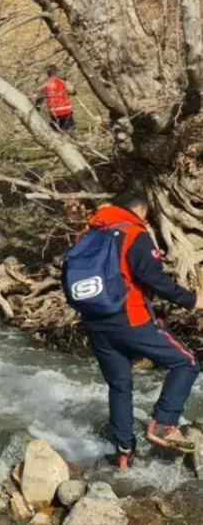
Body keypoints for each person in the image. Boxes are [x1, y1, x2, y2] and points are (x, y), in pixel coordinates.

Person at [72, 190, 203, 470]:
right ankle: (164, 423)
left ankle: (123, 454)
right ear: (140, 209)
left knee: (120, 385)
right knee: (187, 362)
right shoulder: (133, 232)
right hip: (131, 319)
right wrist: (192, 301)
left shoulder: (87, 234)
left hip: (95, 322)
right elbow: (152, 277)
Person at [34, 65, 75, 133]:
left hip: (54, 112)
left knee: (57, 131)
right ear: (56, 72)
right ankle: (72, 136)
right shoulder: (63, 82)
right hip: (66, 110)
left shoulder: (45, 85)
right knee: (70, 129)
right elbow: (73, 92)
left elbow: (38, 98)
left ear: (47, 73)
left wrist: (37, 109)